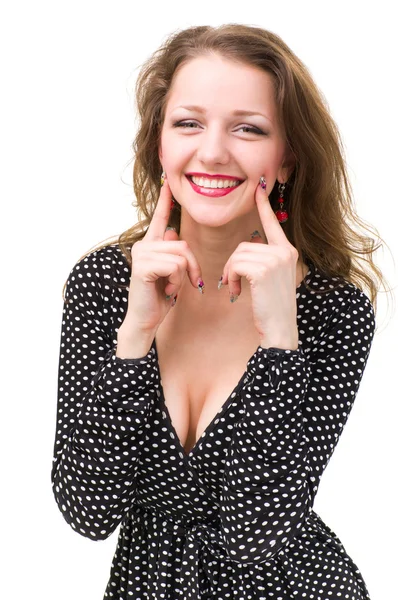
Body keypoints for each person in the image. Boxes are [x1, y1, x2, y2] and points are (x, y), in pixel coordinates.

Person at [51, 24, 388, 599]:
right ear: (160, 145)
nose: (211, 151)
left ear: (286, 160)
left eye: (248, 129)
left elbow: (257, 535)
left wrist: (280, 342)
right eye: (188, 123)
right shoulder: (106, 284)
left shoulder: (333, 310)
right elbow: (87, 511)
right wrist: (134, 335)